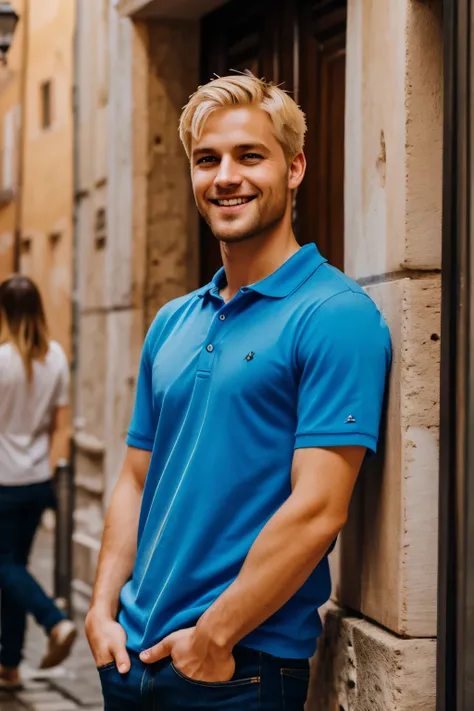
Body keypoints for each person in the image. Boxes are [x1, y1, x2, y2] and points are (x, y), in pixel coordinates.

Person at [85, 73, 391, 711]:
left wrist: (215, 637)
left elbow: (318, 509)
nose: (226, 176)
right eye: (208, 159)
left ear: (295, 166)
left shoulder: (335, 313)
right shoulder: (173, 320)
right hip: (130, 659)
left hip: (236, 670)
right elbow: (136, 478)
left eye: (250, 156)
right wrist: (100, 610)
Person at [0, 275, 77, 689]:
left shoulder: (1, 361)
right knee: (13, 569)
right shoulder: (58, 359)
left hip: (3, 482)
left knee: (6, 566)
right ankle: (9, 666)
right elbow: (60, 428)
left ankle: (54, 621)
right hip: (36, 481)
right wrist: (48, 474)